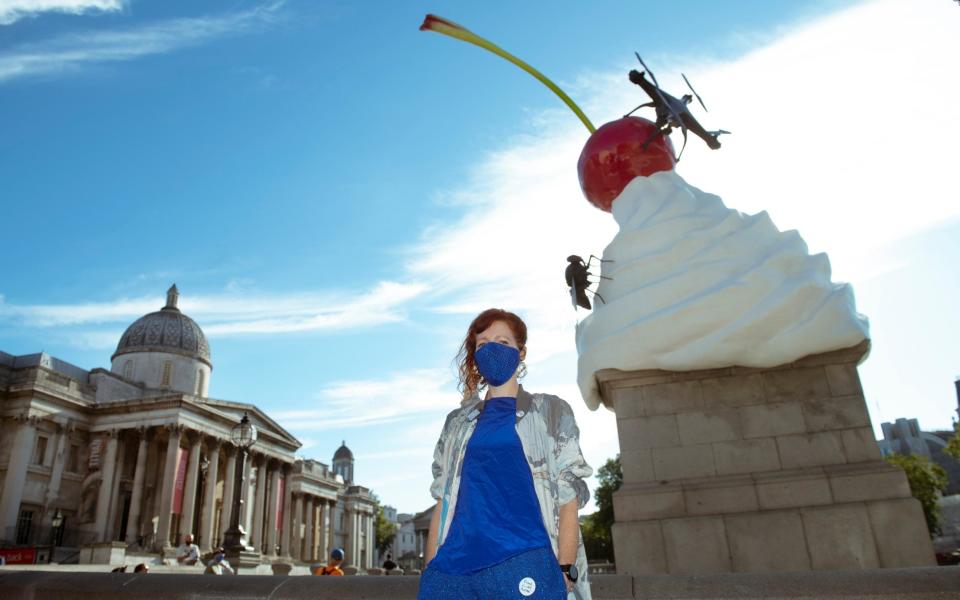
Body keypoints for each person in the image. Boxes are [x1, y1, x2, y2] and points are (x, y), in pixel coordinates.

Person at [420, 308, 593, 600]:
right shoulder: (456, 423)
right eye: (483, 344)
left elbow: (569, 494)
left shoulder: (550, 411)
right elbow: (442, 498)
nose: (491, 350)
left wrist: (565, 567)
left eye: (502, 342)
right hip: (454, 569)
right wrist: (430, 569)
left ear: (521, 352)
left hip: (526, 560)